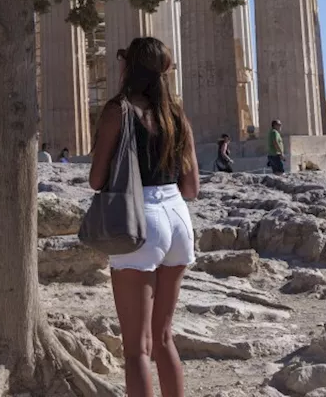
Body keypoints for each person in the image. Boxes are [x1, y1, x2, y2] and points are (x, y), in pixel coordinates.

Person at [89, 37, 199, 397]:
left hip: (141, 219)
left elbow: (96, 179)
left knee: (136, 347)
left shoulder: (117, 110)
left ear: (128, 67)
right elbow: (192, 187)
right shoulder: (177, 114)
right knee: (164, 336)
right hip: (178, 218)